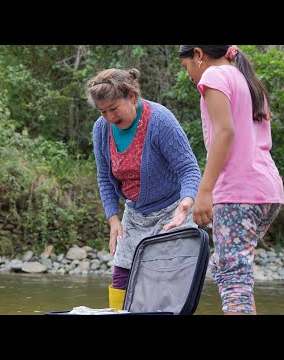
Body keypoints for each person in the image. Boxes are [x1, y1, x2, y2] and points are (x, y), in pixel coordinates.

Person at [177, 45, 284, 315]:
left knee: (231, 274)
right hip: (267, 190)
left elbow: (225, 133)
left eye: (187, 65)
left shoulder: (214, 76)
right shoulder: (246, 80)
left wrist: (205, 191)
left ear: (199, 55)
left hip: (239, 190)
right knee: (238, 274)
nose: (189, 74)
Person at [85, 68, 201, 311]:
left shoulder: (159, 119)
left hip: (173, 211)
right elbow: (105, 178)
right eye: (102, 111)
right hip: (135, 213)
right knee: (122, 275)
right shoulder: (101, 129)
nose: (109, 117)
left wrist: (187, 202)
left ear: (132, 96)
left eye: (113, 109)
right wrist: (113, 220)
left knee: (166, 281)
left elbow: (189, 169)